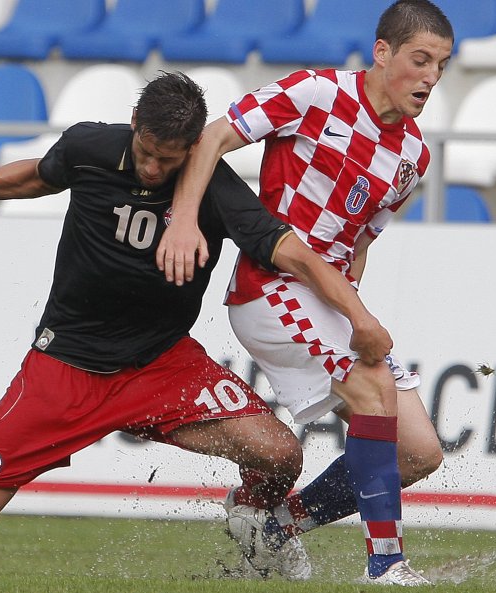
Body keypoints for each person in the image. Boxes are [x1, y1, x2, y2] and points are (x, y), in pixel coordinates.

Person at [0, 71, 394, 570]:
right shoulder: (89, 146)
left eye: (169, 160)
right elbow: (38, 176)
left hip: (161, 365)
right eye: (147, 153)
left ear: (194, 147)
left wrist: (358, 316)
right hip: (67, 365)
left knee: (280, 455)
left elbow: (290, 251)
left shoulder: (213, 186)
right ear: (134, 122)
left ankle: (252, 516)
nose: (154, 168)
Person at [159, 0, 453, 586]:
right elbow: (213, 138)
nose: (431, 77)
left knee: (419, 452)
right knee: (371, 389)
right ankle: (386, 565)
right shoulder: (316, 93)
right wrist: (184, 218)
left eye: (441, 66)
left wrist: (348, 307)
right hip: (270, 286)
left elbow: (361, 240)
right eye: (420, 60)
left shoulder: (412, 156)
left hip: (328, 298)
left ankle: (275, 526)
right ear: (383, 52)